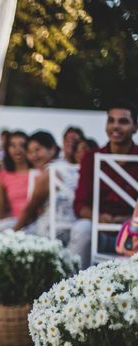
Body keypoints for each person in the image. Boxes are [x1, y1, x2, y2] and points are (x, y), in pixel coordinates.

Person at [69, 100, 138, 267]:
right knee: (81, 229)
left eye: (123, 121)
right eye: (111, 120)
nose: (115, 126)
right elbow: (80, 204)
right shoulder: (91, 157)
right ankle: (73, 286)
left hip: (134, 231)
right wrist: (99, 217)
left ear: (135, 127)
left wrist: (130, 219)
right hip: (98, 230)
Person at [14, 131, 77, 237]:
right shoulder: (69, 167)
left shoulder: (49, 173)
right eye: (29, 152)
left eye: (37, 150)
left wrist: (12, 233)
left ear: (52, 149)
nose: (33, 156)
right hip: (74, 225)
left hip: (52, 228)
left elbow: (30, 210)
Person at [0, 130, 31, 230]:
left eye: (22, 145)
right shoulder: (3, 175)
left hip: (34, 222)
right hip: (13, 223)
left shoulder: (37, 173)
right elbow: (2, 210)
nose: (17, 149)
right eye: (12, 146)